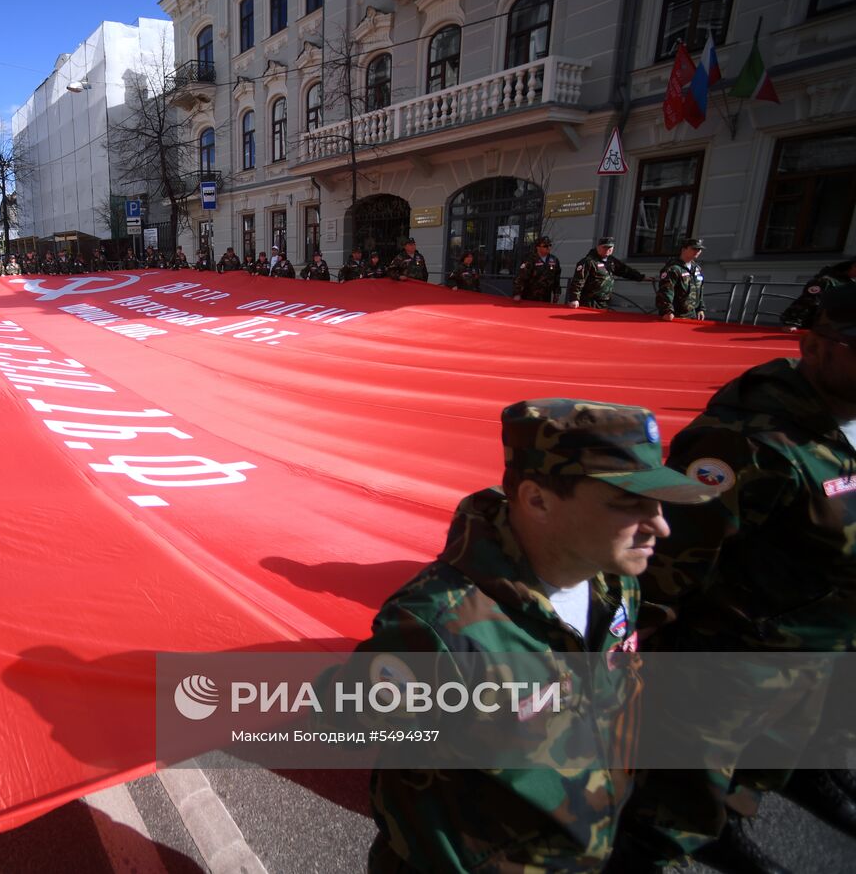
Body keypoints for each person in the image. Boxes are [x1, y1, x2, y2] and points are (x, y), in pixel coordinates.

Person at [322, 399, 719, 873]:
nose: (660, 525)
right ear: (537, 501)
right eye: (628, 503)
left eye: (656, 502)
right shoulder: (438, 628)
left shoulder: (615, 582)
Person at [619, 283, 856, 872]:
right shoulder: (743, 439)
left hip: (819, 641)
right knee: (677, 797)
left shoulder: (843, 419)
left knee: (769, 756)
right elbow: (669, 561)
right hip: (737, 655)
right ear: (815, 345)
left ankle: (737, 813)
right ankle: (672, 839)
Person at [566, 237, 650, 309]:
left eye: (610, 248)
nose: (607, 250)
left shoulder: (611, 261)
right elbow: (578, 281)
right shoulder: (589, 262)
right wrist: (574, 299)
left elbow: (625, 271)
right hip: (589, 302)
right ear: (598, 247)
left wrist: (641, 277)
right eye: (605, 247)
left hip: (604, 302)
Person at [780, 258, 855, 330]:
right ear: (852, 267)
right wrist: (793, 322)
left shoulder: (849, 283)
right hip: (815, 324)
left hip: (837, 326)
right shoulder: (825, 281)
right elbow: (808, 301)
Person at [655, 238, 705, 321]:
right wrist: (667, 311)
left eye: (699, 249)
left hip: (692, 315)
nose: (697, 251)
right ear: (683, 249)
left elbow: (699, 290)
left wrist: (700, 309)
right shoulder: (673, 269)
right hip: (676, 315)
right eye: (694, 249)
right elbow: (665, 291)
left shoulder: (696, 268)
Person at [513, 236, 561, 303]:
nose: (548, 248)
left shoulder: (554, 260)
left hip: (546, 296)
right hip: (530, 296)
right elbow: (521, 277)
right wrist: (517, 293)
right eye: (545, 246)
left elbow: (556, 278)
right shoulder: (530, 259)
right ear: (538, 247)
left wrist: (557, 292)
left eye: (550, 245)